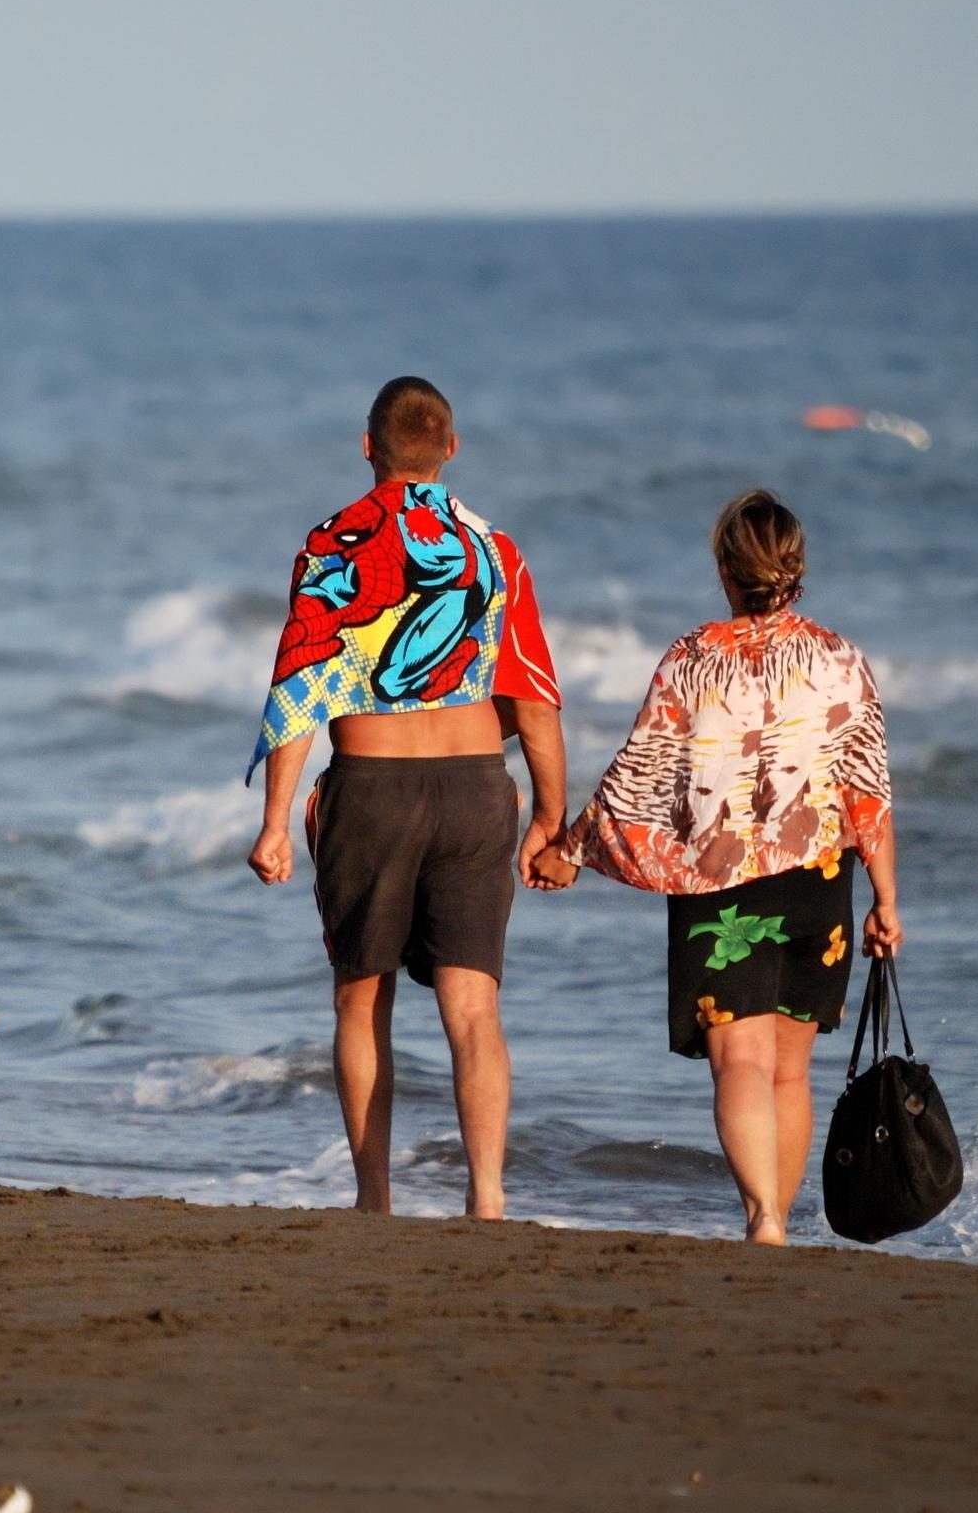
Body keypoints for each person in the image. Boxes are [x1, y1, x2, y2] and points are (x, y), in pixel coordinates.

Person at [536, 489, 900, 1245]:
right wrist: (887, 900)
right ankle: (778, 1224)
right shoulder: (841, 660)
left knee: (739, 1059)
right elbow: (868, 791)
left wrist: (569, 850)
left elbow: (639, 773)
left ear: (727, 571)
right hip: (820, 881)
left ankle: (763, 1218)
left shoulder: (695, 657)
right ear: (796, 568)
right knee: (788, 1070)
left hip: (720, 883)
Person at [246, 377, 565, 1218]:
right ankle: (487, 1197)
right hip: (473, 789)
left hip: (371, 790)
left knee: (362, 995)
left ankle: (374, 1196)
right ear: (450, 449)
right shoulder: (494, 550)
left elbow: (300, 687)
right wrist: (549, 817)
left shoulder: (333, 545)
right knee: (473, 1005)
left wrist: (276, 821)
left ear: (367, 446)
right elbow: (534, 695)